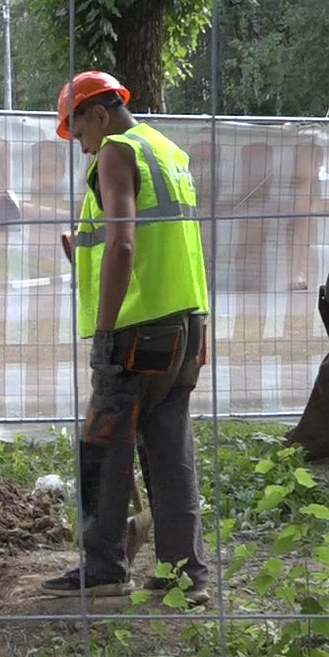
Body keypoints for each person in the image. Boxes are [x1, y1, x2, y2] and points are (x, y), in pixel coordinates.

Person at [42, 70, 212, 602]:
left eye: (79, 132)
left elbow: (123, 246)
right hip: (186, 323)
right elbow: (151, 241)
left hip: (139, 329)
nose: (82, 147)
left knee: (102, 443)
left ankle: (104, 569)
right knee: (169, 446)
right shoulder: (167, 151)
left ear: (98, 112)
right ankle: (186, 576)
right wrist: (84, 255)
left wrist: (104, 332)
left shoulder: (116, 151)